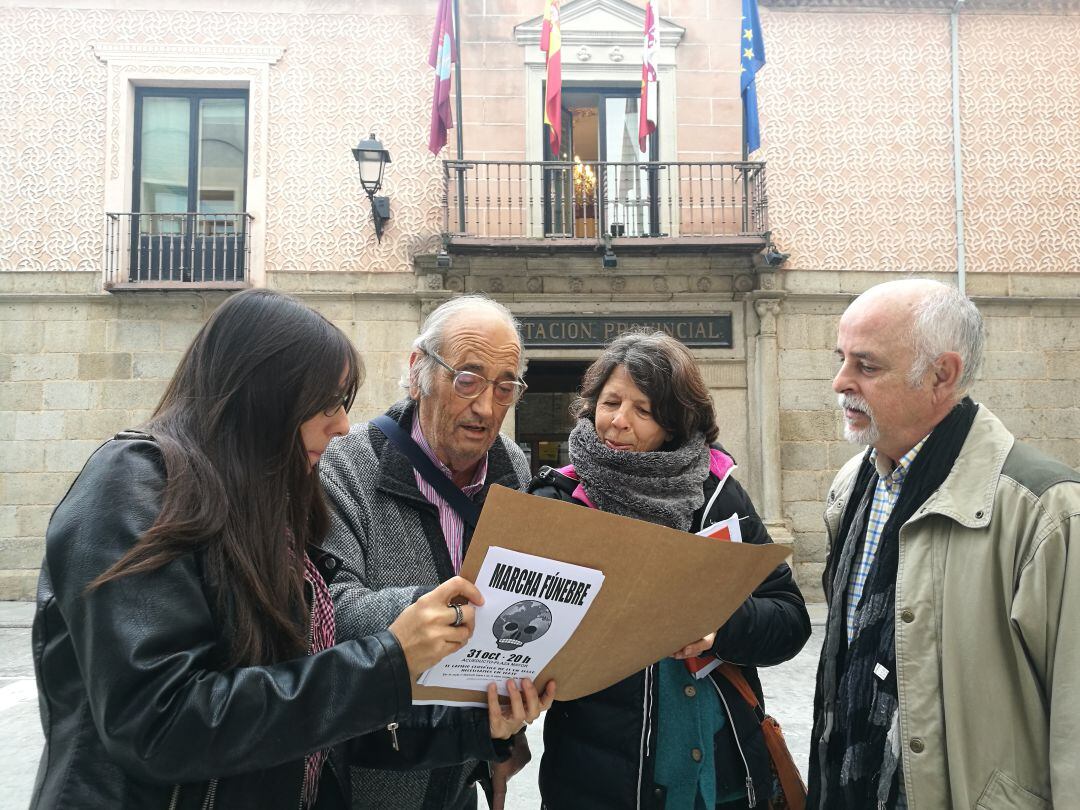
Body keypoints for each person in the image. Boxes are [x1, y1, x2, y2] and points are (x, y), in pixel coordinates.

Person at [30, 288, 539, 810]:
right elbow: (160, 723)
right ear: (263, 394)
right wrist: (389, 658)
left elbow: (306, 719)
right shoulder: (136, 481)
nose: (342, 424)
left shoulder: (265, 507)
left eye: (342, 404)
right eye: (326, 403)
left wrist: (475, 731)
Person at [808, 279, 1080, 809]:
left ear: (942, 375)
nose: (840, 381)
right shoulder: (851, 486)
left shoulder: (1044, 509)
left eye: (867, 366)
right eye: (841, 359)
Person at [528, 330, 811, 810]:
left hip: (723, 782)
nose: (618, 421)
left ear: (675, 422)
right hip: (602, 785)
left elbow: (789, 620)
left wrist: (721, 627)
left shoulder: (719, 498)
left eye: (643, 410)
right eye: (610, 402)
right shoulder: (556, 500)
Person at [319, 294, 555, 810]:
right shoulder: (348, 462)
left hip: (463, 770)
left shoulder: (513, 467)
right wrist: (440, 611)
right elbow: (324, 609)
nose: (487, 407)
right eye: (467, 379)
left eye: (505, 386)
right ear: (418, 370)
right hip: (372, 775)